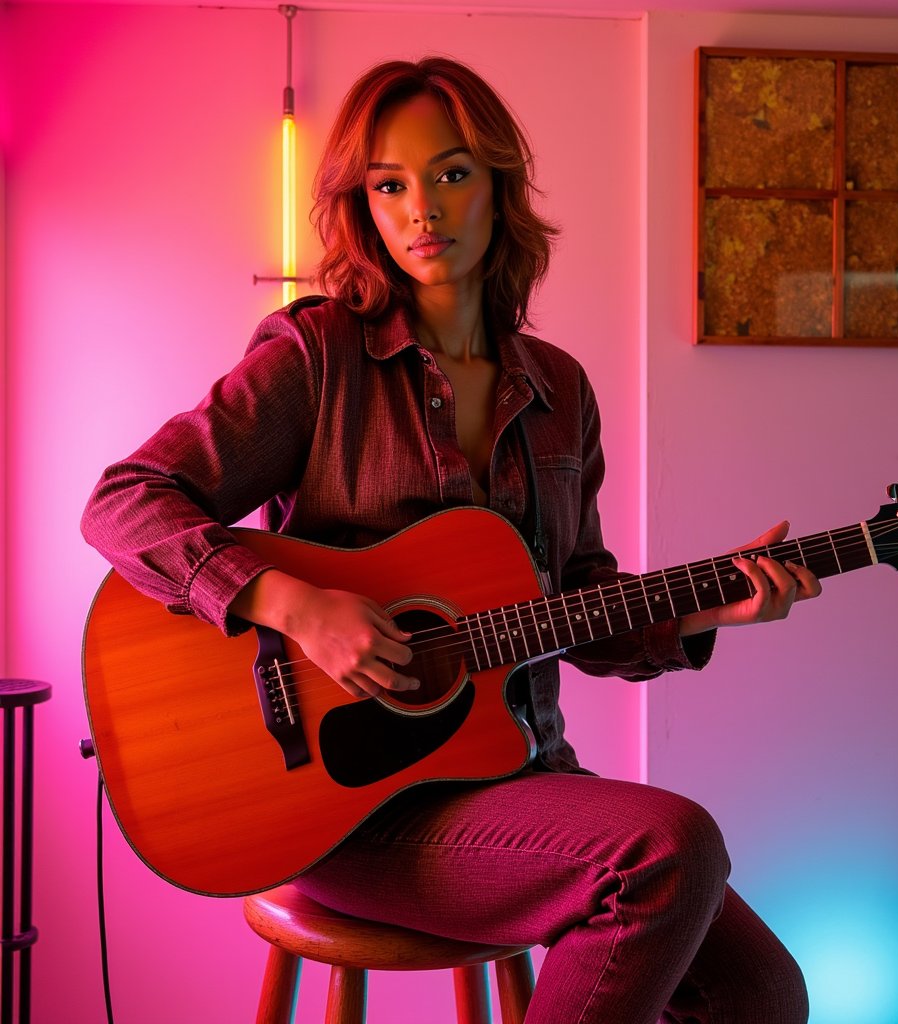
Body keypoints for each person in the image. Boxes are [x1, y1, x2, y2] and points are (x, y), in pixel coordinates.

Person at [82, 56, 821, 1024]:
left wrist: (702, 613)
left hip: (520, 779)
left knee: (761, 995)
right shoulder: (316, 357)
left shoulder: (559, 389)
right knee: (663, 848)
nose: (422, 209)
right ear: (363, 206)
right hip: (347, 811)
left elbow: (574, 600)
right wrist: (297, 606)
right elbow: (124, 499)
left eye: (452, 174)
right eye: (390, 185)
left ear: (500, 187)